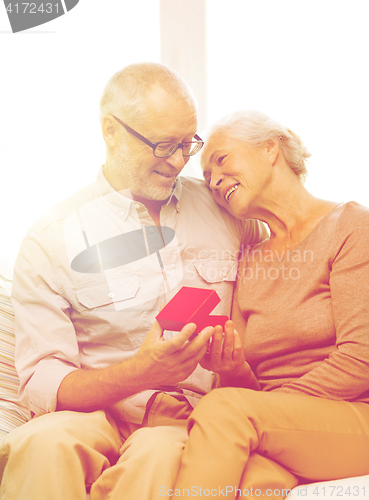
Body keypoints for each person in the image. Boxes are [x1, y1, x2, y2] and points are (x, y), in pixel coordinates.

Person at [0, 66, 265, 500]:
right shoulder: (51, 239)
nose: (179, 161)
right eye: (163, 145)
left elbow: (292, 238)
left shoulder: (225, 210)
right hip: (97, 411)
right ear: (111, 131)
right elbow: (42, 379)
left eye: (187, 144)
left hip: (191, 415)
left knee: (159, 456)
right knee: (40, 444)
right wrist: (140, 373)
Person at [171, 110, 369, 499]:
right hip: (276, 425)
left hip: (352, 417)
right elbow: (244, 388)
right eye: (207, 178)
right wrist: (234, 370)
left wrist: (256, 406)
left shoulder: (351, 226)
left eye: (221, 160)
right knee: (253, 483)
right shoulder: (248, 260)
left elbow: (361, 359)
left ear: (270, 147)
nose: (214, 181)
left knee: (223, 410)